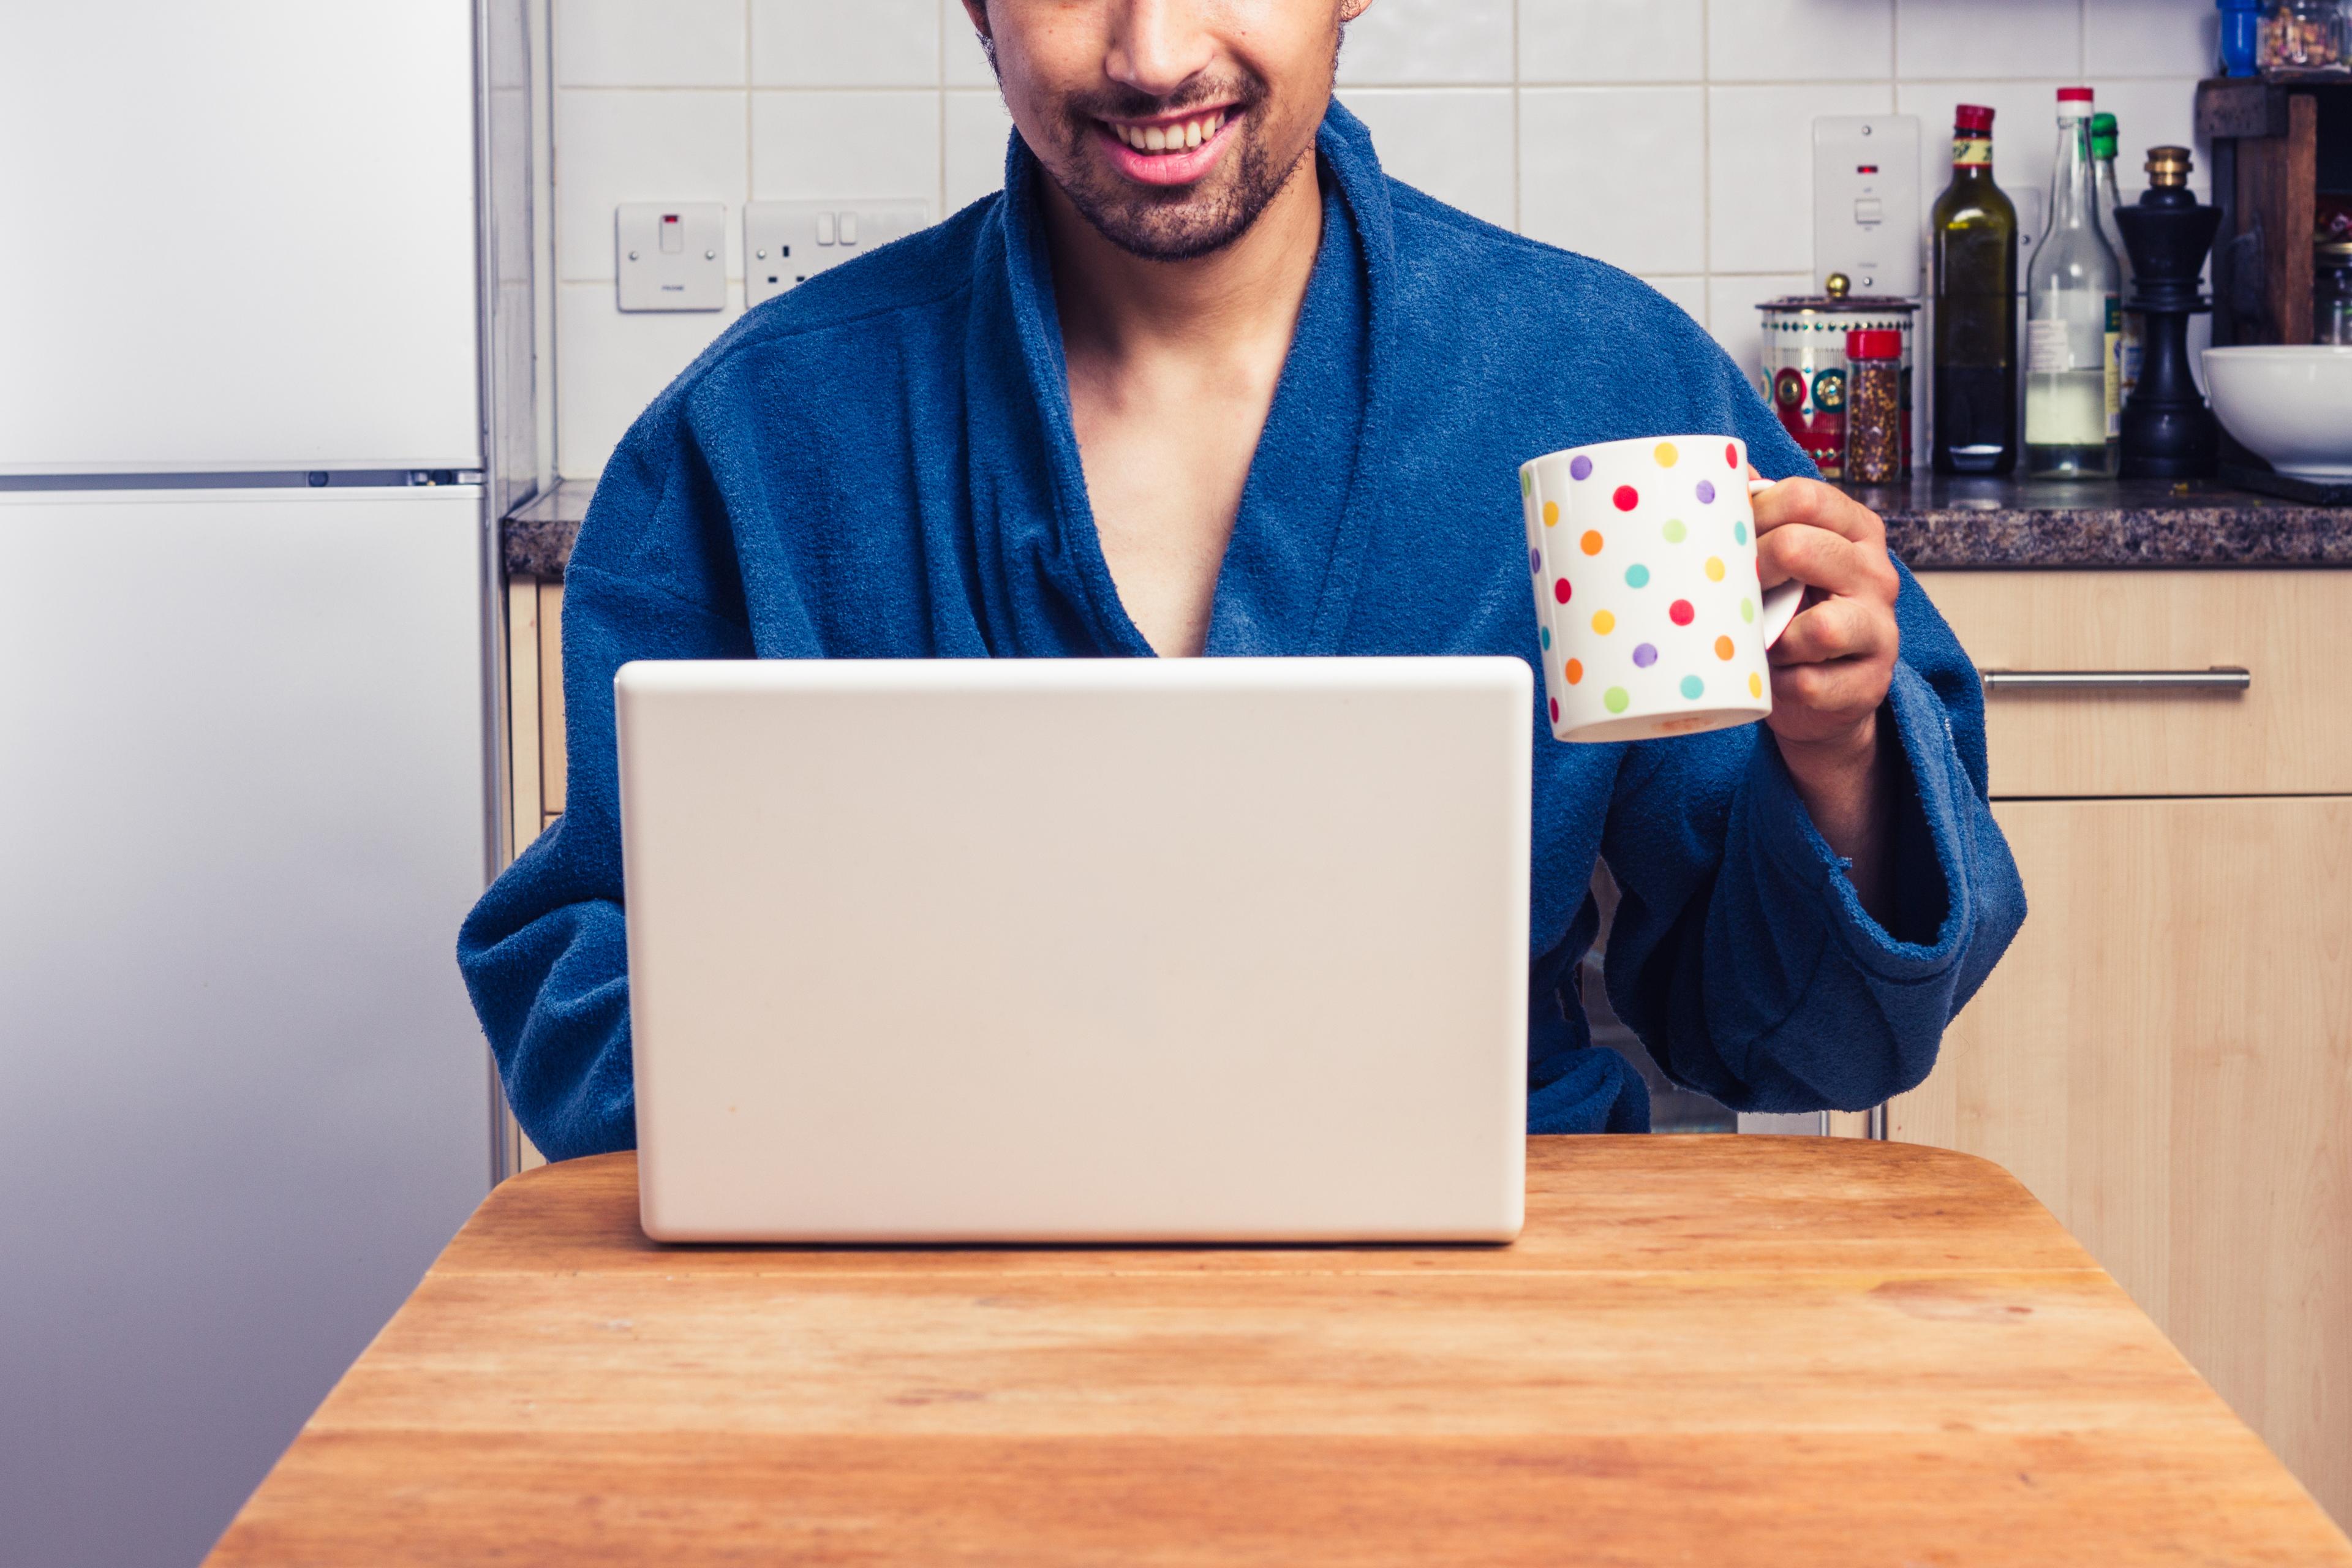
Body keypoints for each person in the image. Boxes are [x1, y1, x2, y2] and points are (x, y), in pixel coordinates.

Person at [459, 0, 2025, 1161]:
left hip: (1486, 1303)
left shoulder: (1595, 382)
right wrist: (834, 1132)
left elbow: (1793, 1032)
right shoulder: (767, 435)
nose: (1151, 53)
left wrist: (1835, 768)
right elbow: (583, 951)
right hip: (922, 1291)